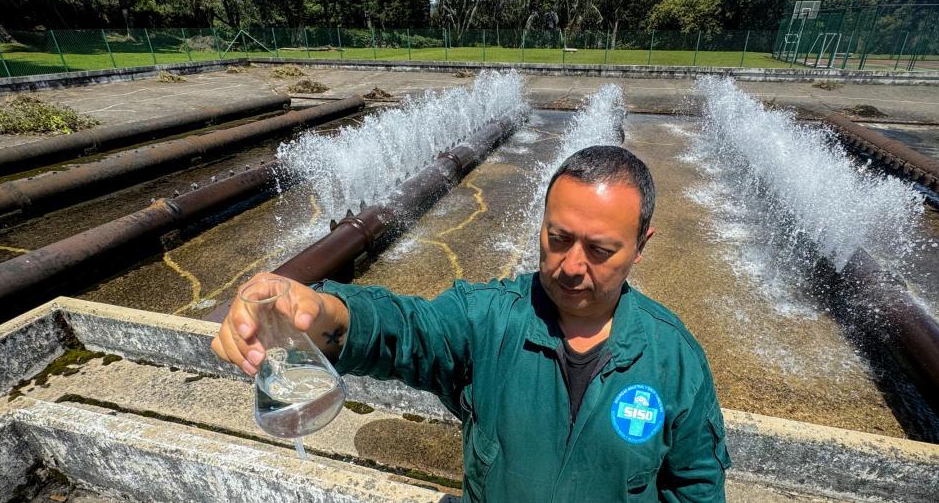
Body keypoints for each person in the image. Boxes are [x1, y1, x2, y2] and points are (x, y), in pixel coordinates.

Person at [213, 145, 730, 501]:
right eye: (557, 238)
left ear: (642, 245)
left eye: (599, 250)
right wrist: (316, 313)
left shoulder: (674, 360)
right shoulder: (487, 321)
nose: (572, 266)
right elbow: (403, 330)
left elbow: (695, 488)